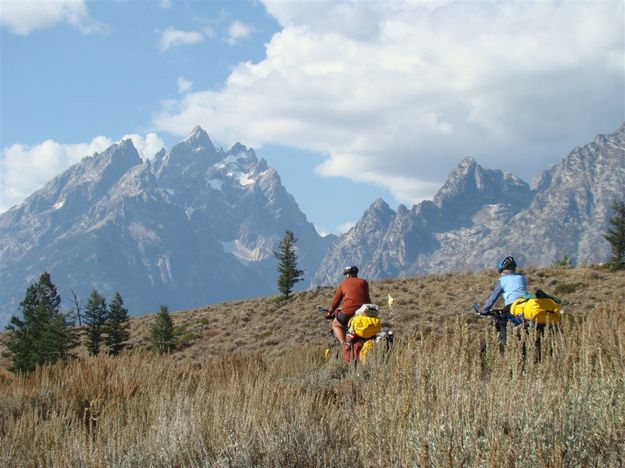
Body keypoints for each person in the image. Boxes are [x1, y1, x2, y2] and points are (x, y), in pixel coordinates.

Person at [481, 255, 528, 344]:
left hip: (512, 306)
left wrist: (484, 310)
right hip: (526, 304)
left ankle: (507, 345)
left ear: (503, 271)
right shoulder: (522, 278)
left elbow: (493, 298)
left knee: (502, 322)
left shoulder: (502, 280)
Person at [326, 266, 371, 353]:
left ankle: (344, 345)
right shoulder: (364, 282)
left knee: (336, 324)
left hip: (349, 311)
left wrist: (329, 312)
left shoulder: (343, 284)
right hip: (364, 311)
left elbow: (336, 301)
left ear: (348, 275)